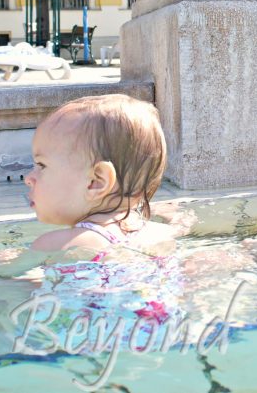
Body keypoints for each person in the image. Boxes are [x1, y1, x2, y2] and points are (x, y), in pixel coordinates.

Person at [22, 94, 183, 340]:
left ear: (97, 181)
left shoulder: (56, 245)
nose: (28, 177)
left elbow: (2, 278)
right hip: (164, 331)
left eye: (41, 165)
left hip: (85, 340)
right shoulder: (158, 234)